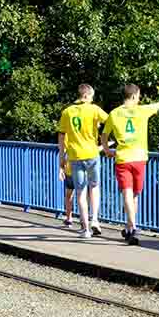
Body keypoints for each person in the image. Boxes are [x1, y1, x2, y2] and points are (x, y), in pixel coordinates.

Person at [104, 75, 159, 245]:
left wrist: (108, 150)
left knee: (127, 194)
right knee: (135, 195)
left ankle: (131, 227)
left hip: (122, 158)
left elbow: (105, 135)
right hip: (140, 159)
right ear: (135, 95)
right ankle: (131, 227)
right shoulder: (142, 110)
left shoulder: (114, 114)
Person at [57, 83, 108, 238]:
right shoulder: (94, 109)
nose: (92, 100)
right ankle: (95, 220)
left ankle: (85, 229)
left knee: (80, 192)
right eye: (91, 97)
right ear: (86, 95)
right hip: (92, 154)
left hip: (75, 157)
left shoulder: (67, 112)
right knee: (94, 187)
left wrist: (61, 161)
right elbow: (111, 122)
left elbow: (61, 137)